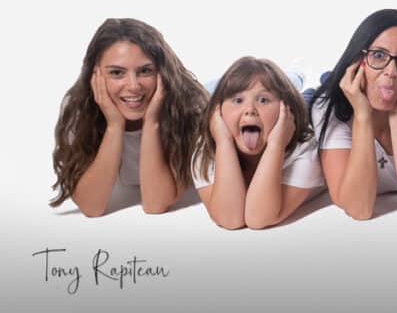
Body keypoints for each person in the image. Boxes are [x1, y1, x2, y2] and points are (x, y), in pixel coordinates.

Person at [51, 18, 207, 216]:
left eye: (145, 71)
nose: (133, 85)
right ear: (95, 75)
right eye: (117, 73)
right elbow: (91, 207)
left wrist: (152, 121)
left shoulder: (190, 108)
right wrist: (114, 126)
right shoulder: (79, 109)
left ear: (162, 72)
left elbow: (155, 204)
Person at [310, 9, 397, 222]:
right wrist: (362, 115)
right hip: (325, 94)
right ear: (358, 59)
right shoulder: (328, 108)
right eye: (378, 56)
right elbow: (359, 209)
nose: (392, 72)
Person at [193, 57, 322, 229]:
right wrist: (224, 143)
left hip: (306, 115)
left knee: (311, 100)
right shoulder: (206, 149)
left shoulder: (305, 150)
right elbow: (229, 219)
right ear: (218, 113)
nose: (250, 110)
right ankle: (294, 74)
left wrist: (276, 145)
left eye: (263, 100)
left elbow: (258, 218)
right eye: (238, 100)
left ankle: (301, 77)